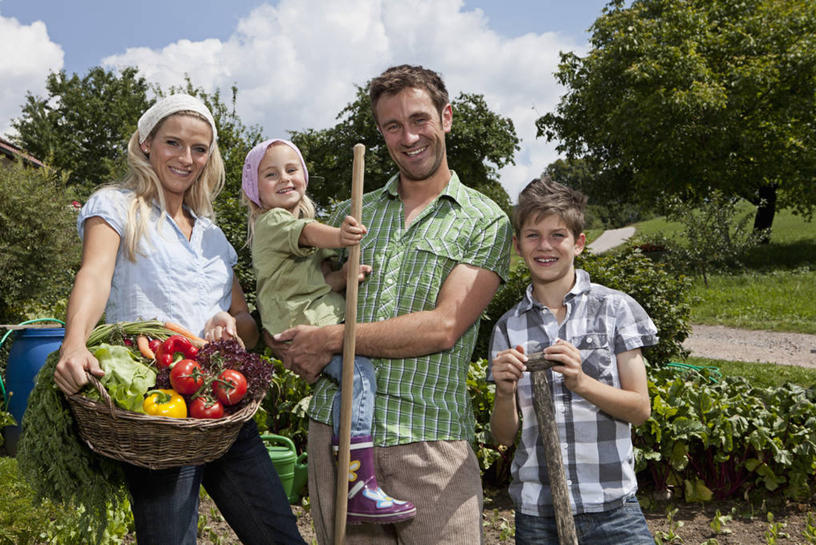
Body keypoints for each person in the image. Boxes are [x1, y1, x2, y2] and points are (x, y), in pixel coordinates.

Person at [268, 64, 513, 544]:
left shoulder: (487, 221)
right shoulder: (350, 213)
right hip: (337, 435)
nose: (409, 137)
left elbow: (443, 326)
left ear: (446, 117)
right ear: (381, 134)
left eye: (420, 119)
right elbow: (295, 289)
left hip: (430, 438)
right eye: (393, 126)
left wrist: (332, 338)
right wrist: (292, 339)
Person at [53, 94, 306, 545]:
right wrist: (74, 344)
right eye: (174, 143)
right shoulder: (116, 206)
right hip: (159, 412)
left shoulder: (212, 235)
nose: (186, 158)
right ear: (147, 143)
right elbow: (93, 275)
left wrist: (233, 329)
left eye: (199, 149)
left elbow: (244, 318)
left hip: (220, 403)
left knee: (279, 535)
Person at [241, 137, 416, 524]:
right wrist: (340, 237)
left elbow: (315, 284)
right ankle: (358, 482)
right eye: (270, 175)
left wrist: (343, 277)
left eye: (291, 169)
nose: (284, 178)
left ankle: (356, 476)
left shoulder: (294, 221)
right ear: (256, 190)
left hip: (311, 319)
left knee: (355, 379)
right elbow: (305, 232)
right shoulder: (271, 222)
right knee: (359, 375)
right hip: (299, 328)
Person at [488, 176, 658, 545]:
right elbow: (503, 436)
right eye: (532, 235)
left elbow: (640, 408)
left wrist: (582, 382)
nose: (544, 246)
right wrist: (504, 392)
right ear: (518, 245)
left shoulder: (614, 309)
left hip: (612, 508)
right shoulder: (508, 327)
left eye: (557, 235)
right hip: (539, 516)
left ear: (578, 243)